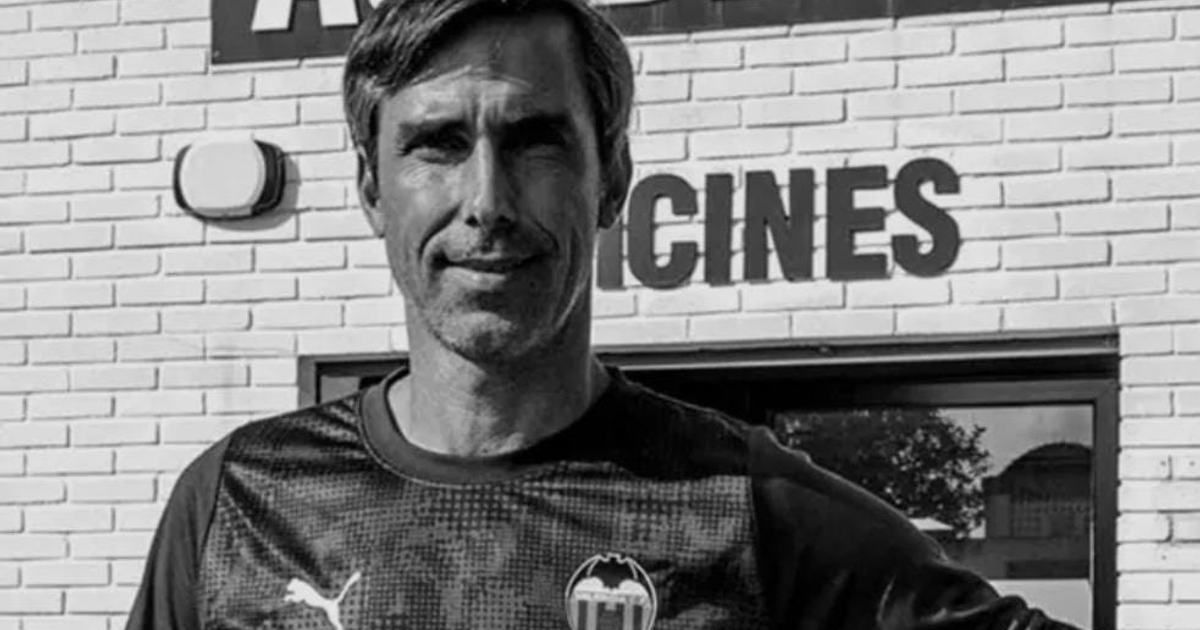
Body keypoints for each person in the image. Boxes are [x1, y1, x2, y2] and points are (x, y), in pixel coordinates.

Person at [125, 1, 1082, 628]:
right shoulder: (236, 504)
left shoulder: (751, 511)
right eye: (438, 144)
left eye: (536, 140)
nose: (488, 201)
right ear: (374, 187)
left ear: (612, 180)